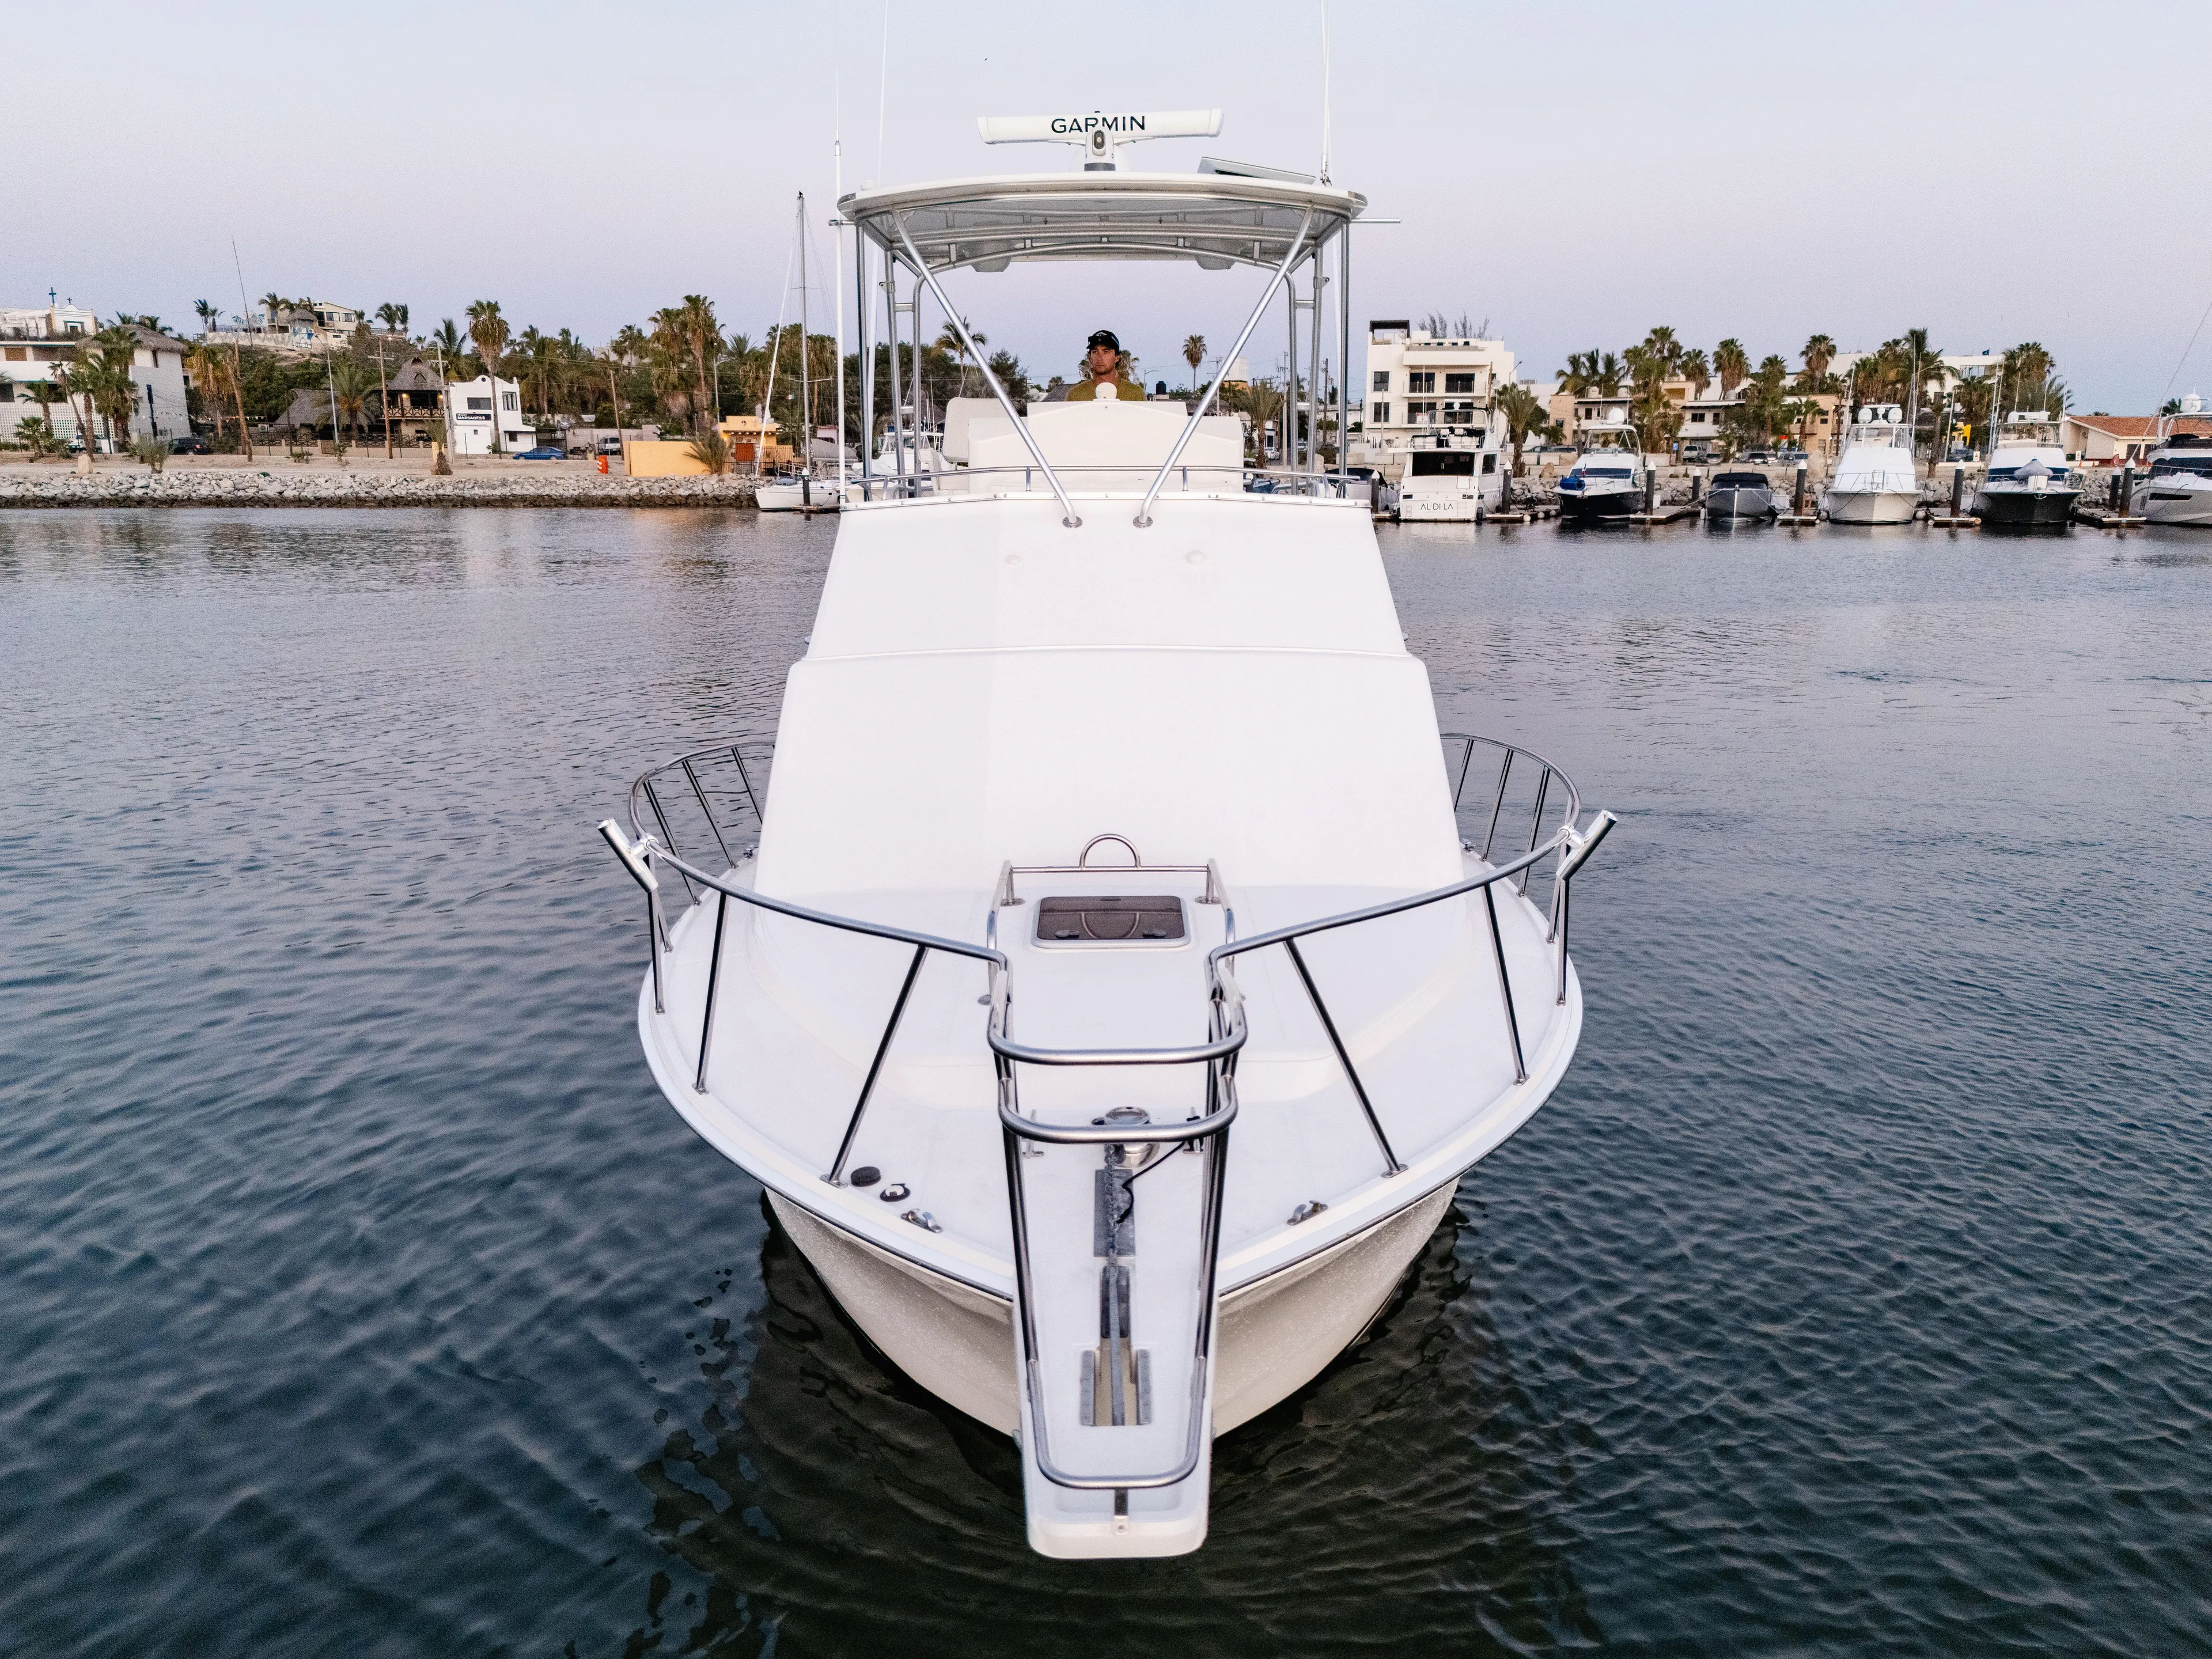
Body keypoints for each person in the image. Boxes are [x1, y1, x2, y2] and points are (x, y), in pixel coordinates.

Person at [1064, 329, 1146, 402]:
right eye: (1095, 352)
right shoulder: (1075, 395)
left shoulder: (1135, 394)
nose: (1100, 358)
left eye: (1106, 352)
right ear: (1090, 357)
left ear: (1117, 357)